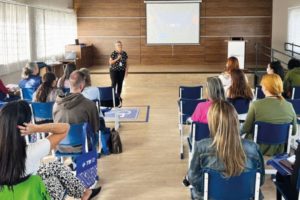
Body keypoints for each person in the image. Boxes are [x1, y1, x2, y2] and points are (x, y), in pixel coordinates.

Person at [0, 101, 101, 200]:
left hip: (10, 192)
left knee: (54, 166)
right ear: (26, 125)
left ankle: (85, 193)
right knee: (53, 182)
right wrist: (36, 128)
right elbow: (65, 128)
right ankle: (81, 193)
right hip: (30, 194)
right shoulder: (31, 151)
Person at [186, 100, 265, 200]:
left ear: (212, 122)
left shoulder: (201, 146)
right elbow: (260, 180)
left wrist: (214, 186)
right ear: (235, 120)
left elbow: (193, 178)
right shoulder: (253, 148)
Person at [242, 74, 297, 156]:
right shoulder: (289, 106)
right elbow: (293, 132)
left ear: (265, 87)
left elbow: (246, 128)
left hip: (257, 147)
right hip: (280, 149)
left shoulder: (256, 105)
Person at [53, 70, 100, 153]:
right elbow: (95, 128)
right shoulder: (89, 105)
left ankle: (74, 163)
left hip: (60, 145)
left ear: (69, 84)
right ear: (82, 86)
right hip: (83, 146)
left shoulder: (56, 105)